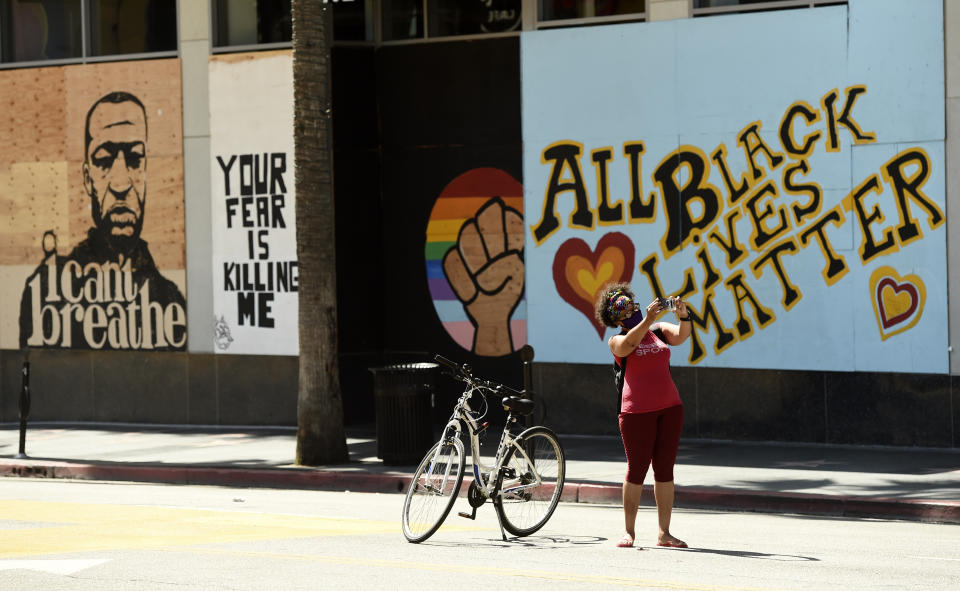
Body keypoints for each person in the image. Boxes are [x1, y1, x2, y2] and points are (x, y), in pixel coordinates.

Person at [19, 91, 186, 350]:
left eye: (134, 159)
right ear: (87, 179)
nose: (121, 183)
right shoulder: (45, 288)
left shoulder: (170, 299)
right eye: (105, 160)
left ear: (146, 172)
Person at [594, 282, 691, 549]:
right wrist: (648, 318)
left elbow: (682, 336)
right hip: (636, 413)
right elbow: (630, 344)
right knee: (636, 470)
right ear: (616, 319)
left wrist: (683, 315)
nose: (633, 312)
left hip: (670, 409)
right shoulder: (617, 340)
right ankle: (629, 532)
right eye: (625, 311)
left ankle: (664, 533)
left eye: (633, 306)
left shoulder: (658, 331)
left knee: (665, 470)